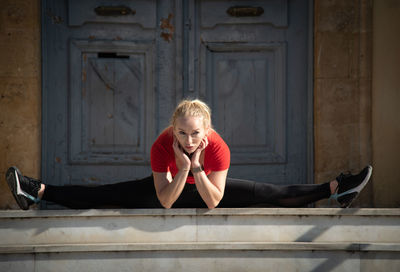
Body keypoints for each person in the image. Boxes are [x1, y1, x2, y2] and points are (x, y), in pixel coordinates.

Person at [5, 99, 372, 210]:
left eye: (196, 133)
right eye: (182, 132)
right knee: (107, 193)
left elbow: (214, 202)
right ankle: (35, 192)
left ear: (207, 132)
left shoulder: (217, 147)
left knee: (268, 192)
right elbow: (165, 202)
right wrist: (182, 171)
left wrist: (196, 166)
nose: (189, 138)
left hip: (206, 188)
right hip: (170, 189)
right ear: (173, 129)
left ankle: (338, 188)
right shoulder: (162, 144)